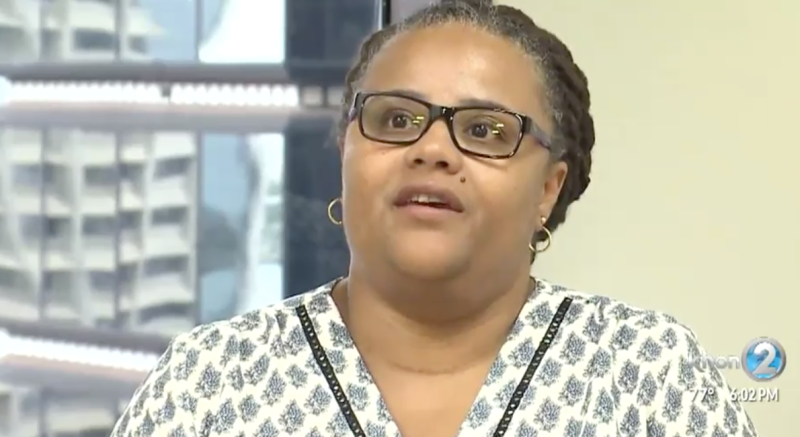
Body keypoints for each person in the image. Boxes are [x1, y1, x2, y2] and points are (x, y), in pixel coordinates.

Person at [111, 1, 758, 436]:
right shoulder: (209, 380)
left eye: (484, 129)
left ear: (548, 189)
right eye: (396, 118)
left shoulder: (648, 372)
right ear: (345, 152)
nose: (432, 149)